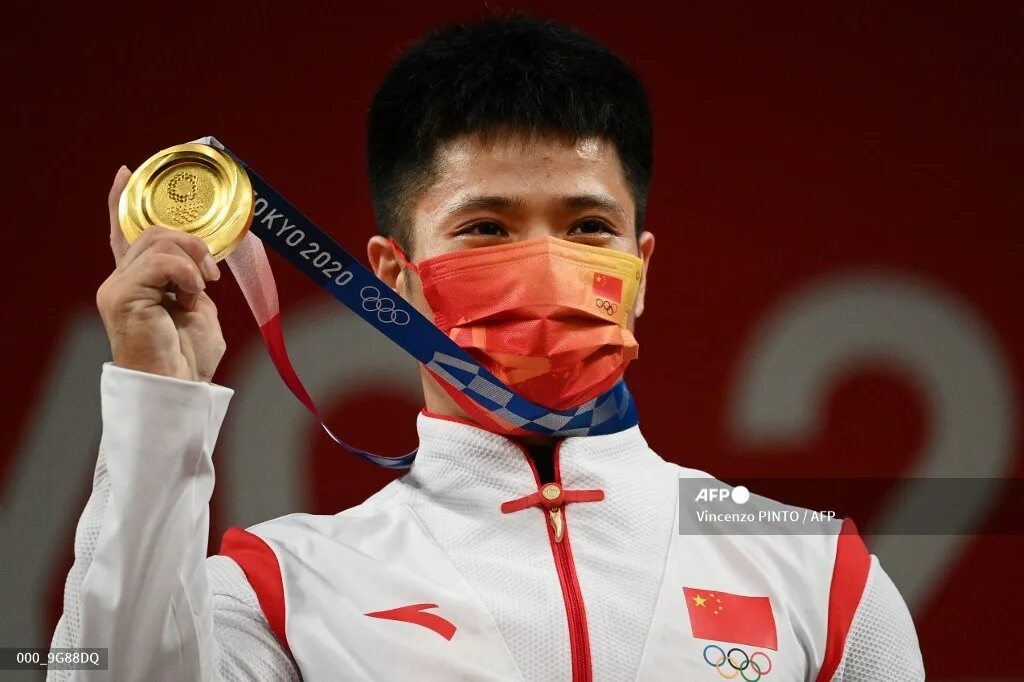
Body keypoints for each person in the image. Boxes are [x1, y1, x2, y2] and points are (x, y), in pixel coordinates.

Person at [50, 13, 925, 682]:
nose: (546, 265)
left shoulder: (818, 574)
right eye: (486, 229)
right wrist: (157, 407)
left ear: (641, 269)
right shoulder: (285, 589)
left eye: (589, 226)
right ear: (393, 277)